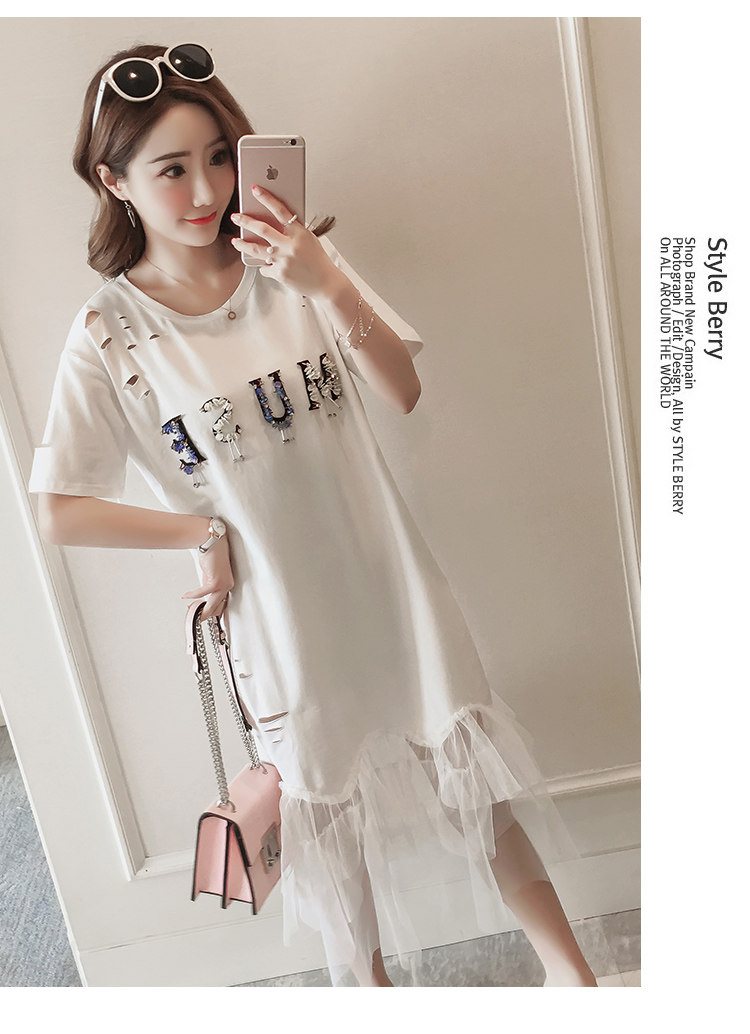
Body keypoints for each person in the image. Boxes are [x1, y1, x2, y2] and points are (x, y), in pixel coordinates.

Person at [28, 42, 606, 987]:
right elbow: (57, 511)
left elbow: (403, 391)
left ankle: (574, 981)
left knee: (471, 778)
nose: (207, 189)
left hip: (386, 575)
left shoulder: (293, 261)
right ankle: (368, 994)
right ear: (113, 181)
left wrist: (325, 284)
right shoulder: (109, 333)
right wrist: (200, 536)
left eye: (220, 156)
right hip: (278, 617)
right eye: (171, 169)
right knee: (324, 818)